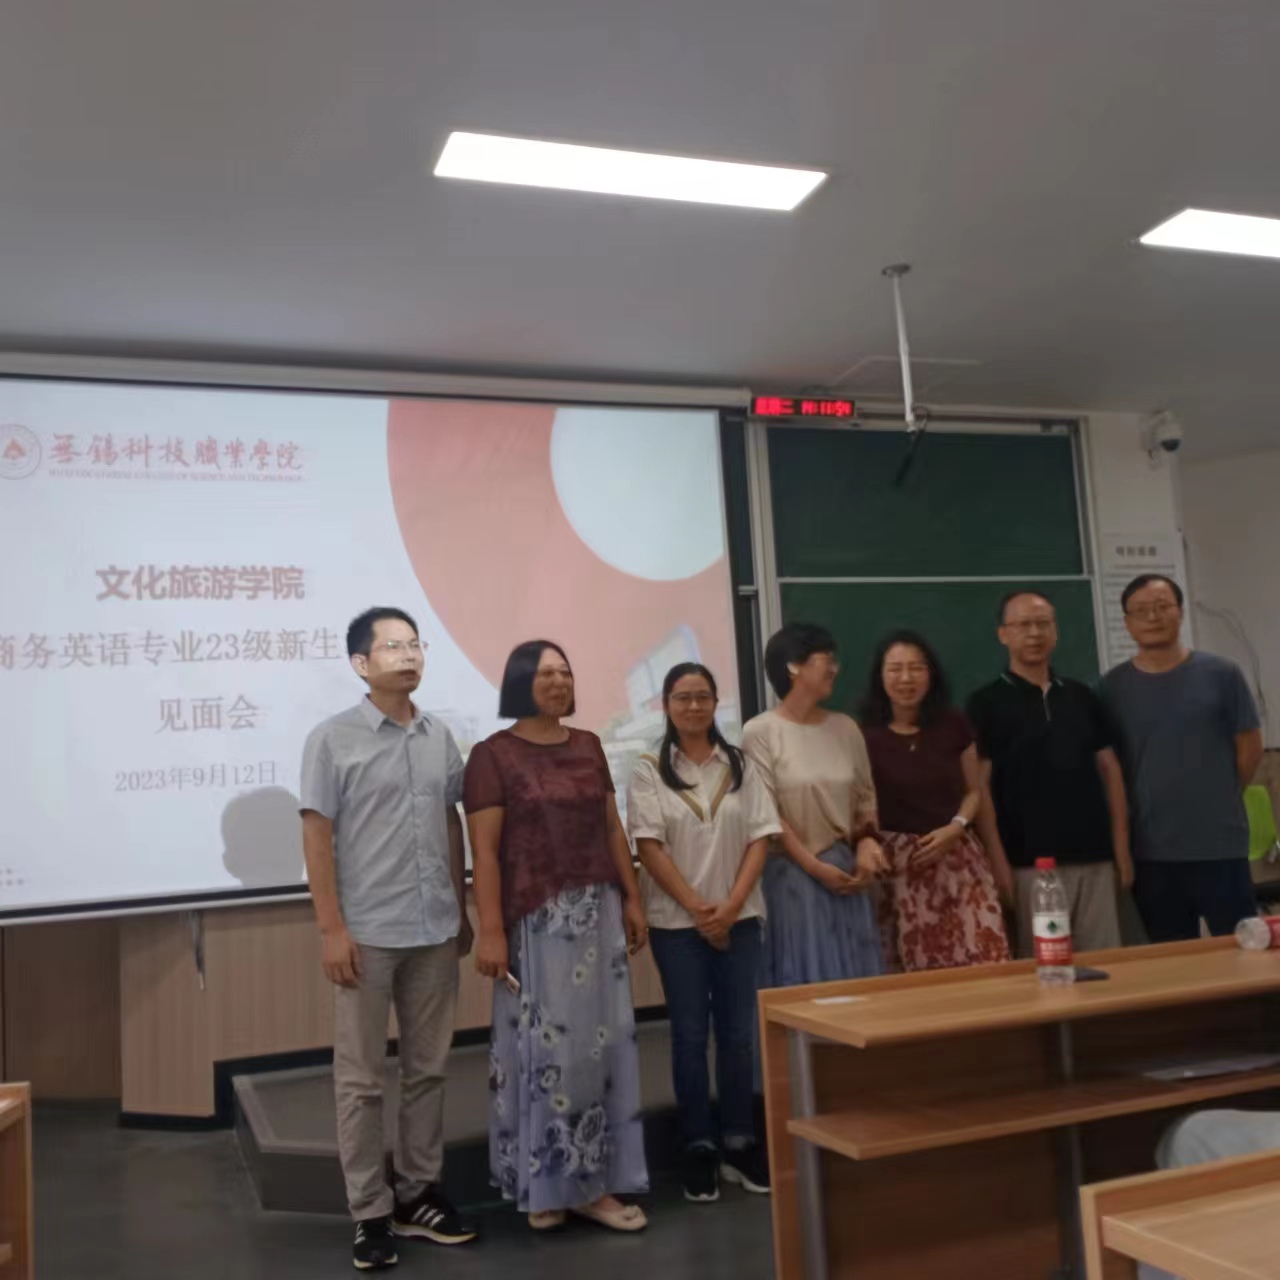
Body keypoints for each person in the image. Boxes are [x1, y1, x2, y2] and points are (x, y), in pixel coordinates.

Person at [299, 607, 477, 1273]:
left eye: (415, 644)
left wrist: (462, 906)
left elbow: (452, 820)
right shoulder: (331, 739)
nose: (408, 655)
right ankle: (370, 1212)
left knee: (428, 1070)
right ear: (360, 663)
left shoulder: (439, 736)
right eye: (392, 646)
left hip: (435, 928)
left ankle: (418, 1194)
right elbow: (317, 835)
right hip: (367, 933)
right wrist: (331, 928)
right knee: (361, 1081)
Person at [465, 640, 650, 1234]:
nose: (558, 681)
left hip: (597, 915)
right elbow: (484, 854)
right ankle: (547, 1184)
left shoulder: (589, 744)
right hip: (536, 923)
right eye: (545, 673)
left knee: (597, 1053)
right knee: (546, 1056)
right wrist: (490, 931)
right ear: (520, 682)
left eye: (565, 672)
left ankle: (590, 1185)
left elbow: (612, 828)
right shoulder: (492, 756)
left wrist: (633, 897)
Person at [627, 663, 778, 1203]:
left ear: (716, 703)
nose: (693, 706)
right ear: (665, 705)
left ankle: (739, 1140)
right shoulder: (648, 769)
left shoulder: (741, 764)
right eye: (682, 697)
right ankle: (698, 1145)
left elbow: (762, 838)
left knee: (738, 1035)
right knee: (690, 1036)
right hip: (677, 928)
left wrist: (730, 907)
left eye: (703, 697)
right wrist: (699, 910)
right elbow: (648, 847)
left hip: (741, 920)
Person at [967, 591, 1133, 956]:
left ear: (1055, 631)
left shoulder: (1082, 696)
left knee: (1107, 968)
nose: (1034, 633)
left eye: (1043, 624)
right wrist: (997, 861)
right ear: (1003, 634)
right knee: (1046, 969)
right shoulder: (985, 703)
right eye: (1023, 625)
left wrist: (1121, 849)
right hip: (1028, 866)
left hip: (1094, 858)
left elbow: (1111, 772)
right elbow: (980, 789)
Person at [1099, 575, 1263, 942]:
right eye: (1141, 610)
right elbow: (1111, 769)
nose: (1153, 617)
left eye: (1162, 607)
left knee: (1242, 947)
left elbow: (1250, 747)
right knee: (1170, 957)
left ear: (1180, 612)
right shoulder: (1111, 687)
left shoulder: (1222, 674)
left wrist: (1219, 793)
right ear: (1127, 622)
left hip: (1219, 844)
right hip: (1151, 851)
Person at [742, 623, 889, 987]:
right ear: (794, 666)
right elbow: (768, 813)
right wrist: (815, 867)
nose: (835, 668)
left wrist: (867, 843)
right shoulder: (760, 732)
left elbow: (865, 798)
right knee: (804, 981)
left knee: (854, 982)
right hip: (793, 875)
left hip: (846, 872)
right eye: (827, 659)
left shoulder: (845, 728)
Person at [859, 631, 1010, 971]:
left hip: (957, 858)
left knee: (984, 962)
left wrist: (956, 827)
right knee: (914, 972)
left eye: (916, 668)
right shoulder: (863, 735)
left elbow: (974, 791)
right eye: (895, 669)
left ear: (931, 674)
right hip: (898, 869)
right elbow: (860, 806)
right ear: (880, 676)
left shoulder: (954, 724)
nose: (906, 678)